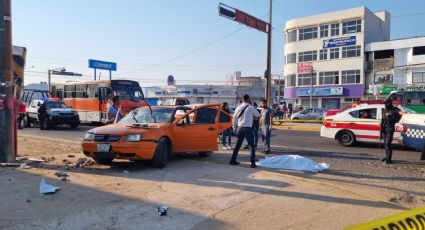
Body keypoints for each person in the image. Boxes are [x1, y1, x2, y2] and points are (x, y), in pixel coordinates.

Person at [229, 94, 260, 168]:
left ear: (242, 99)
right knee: (251, 146)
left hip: (240, 128)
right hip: (248, 128)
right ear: (248, 99)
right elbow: (258, 115)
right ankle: (252, 163)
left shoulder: (238, 107)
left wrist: (234, 128)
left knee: (238, 145)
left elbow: (234, 119)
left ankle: (232, 160)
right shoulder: (250, 107)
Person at [380, 98, 403, 164]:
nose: (385, 105)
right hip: (383, 128)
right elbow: (383, 118)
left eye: (386, 104)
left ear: (389, 104)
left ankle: (389, 159)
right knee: (385, 144)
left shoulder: (395, 109)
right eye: (385, 104)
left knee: (388, 144)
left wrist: (404, 113)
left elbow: (402, 113)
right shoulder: (385, 110)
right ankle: (387, 156)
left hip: (390, 128)